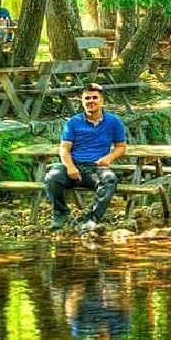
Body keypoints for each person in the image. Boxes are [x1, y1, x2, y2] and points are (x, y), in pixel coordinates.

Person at [43, 83, 128, 232]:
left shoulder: (114, 122)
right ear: (82, 102)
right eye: (87, 98)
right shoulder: (73, 122)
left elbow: (121, 147)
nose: (91, 101)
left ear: (102, 101)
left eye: (95, 97)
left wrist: (109, 158)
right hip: (73, 167)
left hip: (95, 169)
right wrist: (69, 166)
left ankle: (92, 217)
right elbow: (64, 148)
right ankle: (61, 212)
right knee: (52, 177)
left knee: (109, 179)